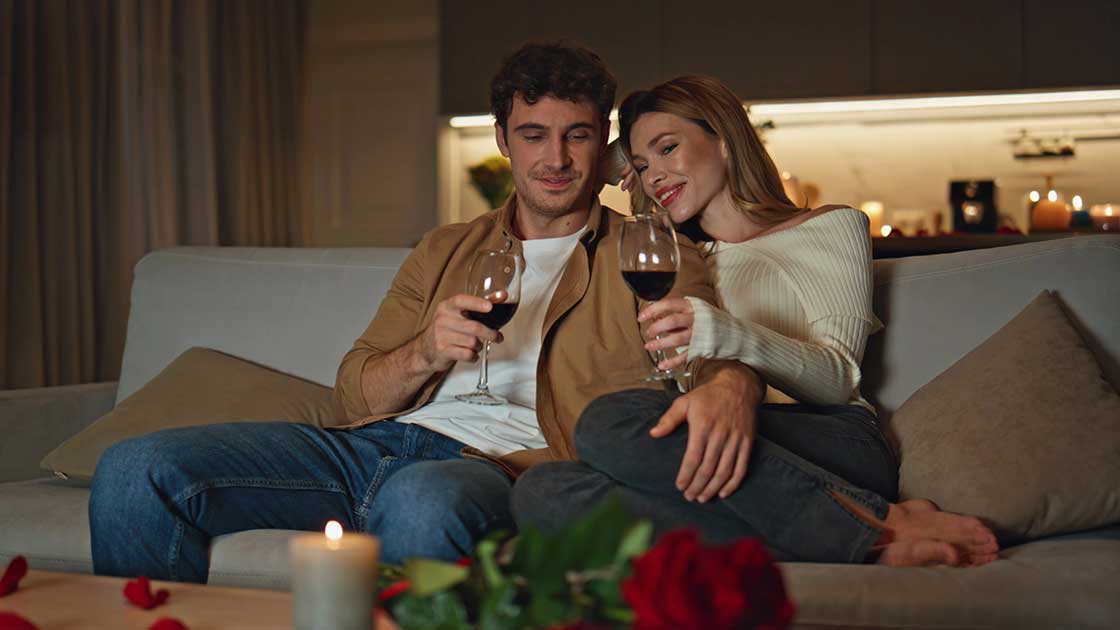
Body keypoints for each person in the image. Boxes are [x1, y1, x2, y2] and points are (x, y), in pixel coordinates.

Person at [88, 45, 761, 583]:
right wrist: (425, 353)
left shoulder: (647, 250)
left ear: (602, 140)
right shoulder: (446, 247)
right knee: (136, 470)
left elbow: (705, 353)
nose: (555, 159)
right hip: (368, 450)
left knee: (420, 502)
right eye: (533, 135)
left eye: (576, 135)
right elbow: (354, 393)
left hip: (493, 469)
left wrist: (733, 382)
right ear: (502, 139)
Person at [511, 75, 1000, 567]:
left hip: (830, 439)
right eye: (641, 165)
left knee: (607, 421)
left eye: (668, 149)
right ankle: (863, 537)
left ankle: (875, 526)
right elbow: (584, 168)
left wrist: (724, 334)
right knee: (543, 492)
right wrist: (617, 153)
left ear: (724, 141)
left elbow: (837, 378)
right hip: (715, 451)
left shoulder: (828, 227)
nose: (654, 175)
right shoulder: (678, 260)